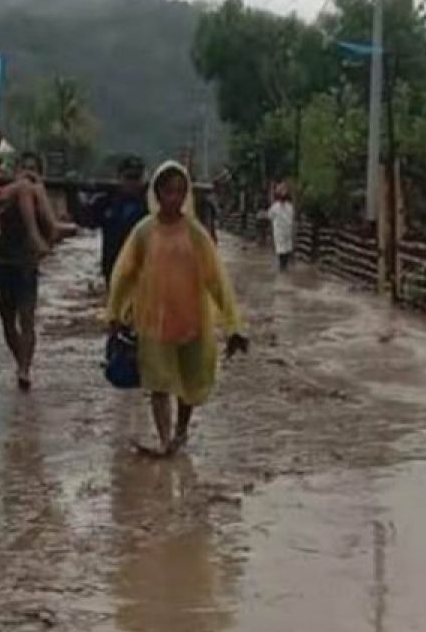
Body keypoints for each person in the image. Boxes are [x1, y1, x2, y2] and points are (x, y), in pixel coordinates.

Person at [107, 161, 249, 457]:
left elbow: (217, 279)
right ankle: (163, 439)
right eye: (168, 191)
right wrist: (115, 314)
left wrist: (234, 325)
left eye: (180, 192)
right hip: (153, 320)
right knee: (158, 383)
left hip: (191, 319)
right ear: (157, 193)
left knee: (189, 383)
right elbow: (124, 274)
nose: (174, 198)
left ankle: (181, 431)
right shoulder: (144, 233)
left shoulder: (196, 234)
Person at [0, 125, 73, 257]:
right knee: (23, 185)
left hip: (0, 197)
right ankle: (34, 238)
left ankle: (52, 225)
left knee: (36, 185)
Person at [0, 151, 48, 391]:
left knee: (27, 319)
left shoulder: (41, 202)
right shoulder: (5, 195)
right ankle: (21, 361)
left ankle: (24, 367)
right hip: (1, 263)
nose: (28, 174)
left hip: (26, 264)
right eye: (24, 168)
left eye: (33, 169)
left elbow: (51, 232)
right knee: (7, 322)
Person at [67, 155, 149, 285]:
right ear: (119, 178)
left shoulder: (152, 205)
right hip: (113, 270)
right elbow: (85, 220)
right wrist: (71, 193)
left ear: (143, 179)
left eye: (136, 178)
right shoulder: (106, 202)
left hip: (144, 272)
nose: (132, 183)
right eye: (128, 177)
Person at [267, 183, 296, 272]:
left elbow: (269, 216)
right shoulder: (276, 207)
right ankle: (283, 268)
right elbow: (270, 216)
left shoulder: (288, 207)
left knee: (285, 251)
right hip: (280, 232)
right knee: (282, 251)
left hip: (286, 232)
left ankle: (283, 268)